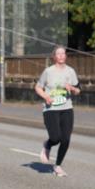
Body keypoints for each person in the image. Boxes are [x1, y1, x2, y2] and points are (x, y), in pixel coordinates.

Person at [34, 46, 81, 177]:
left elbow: (78, 90)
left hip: (67, 108)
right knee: (55, 137)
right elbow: (38, 87)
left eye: (63, 53)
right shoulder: (48, 72)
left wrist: (71, 88)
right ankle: (48, 144)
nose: (61, 56)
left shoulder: (71, 71)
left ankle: (58, 165)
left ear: (66, 56)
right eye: (58, 54)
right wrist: (46, 97)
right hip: (51, 109)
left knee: (66, 139)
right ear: (54, 57)